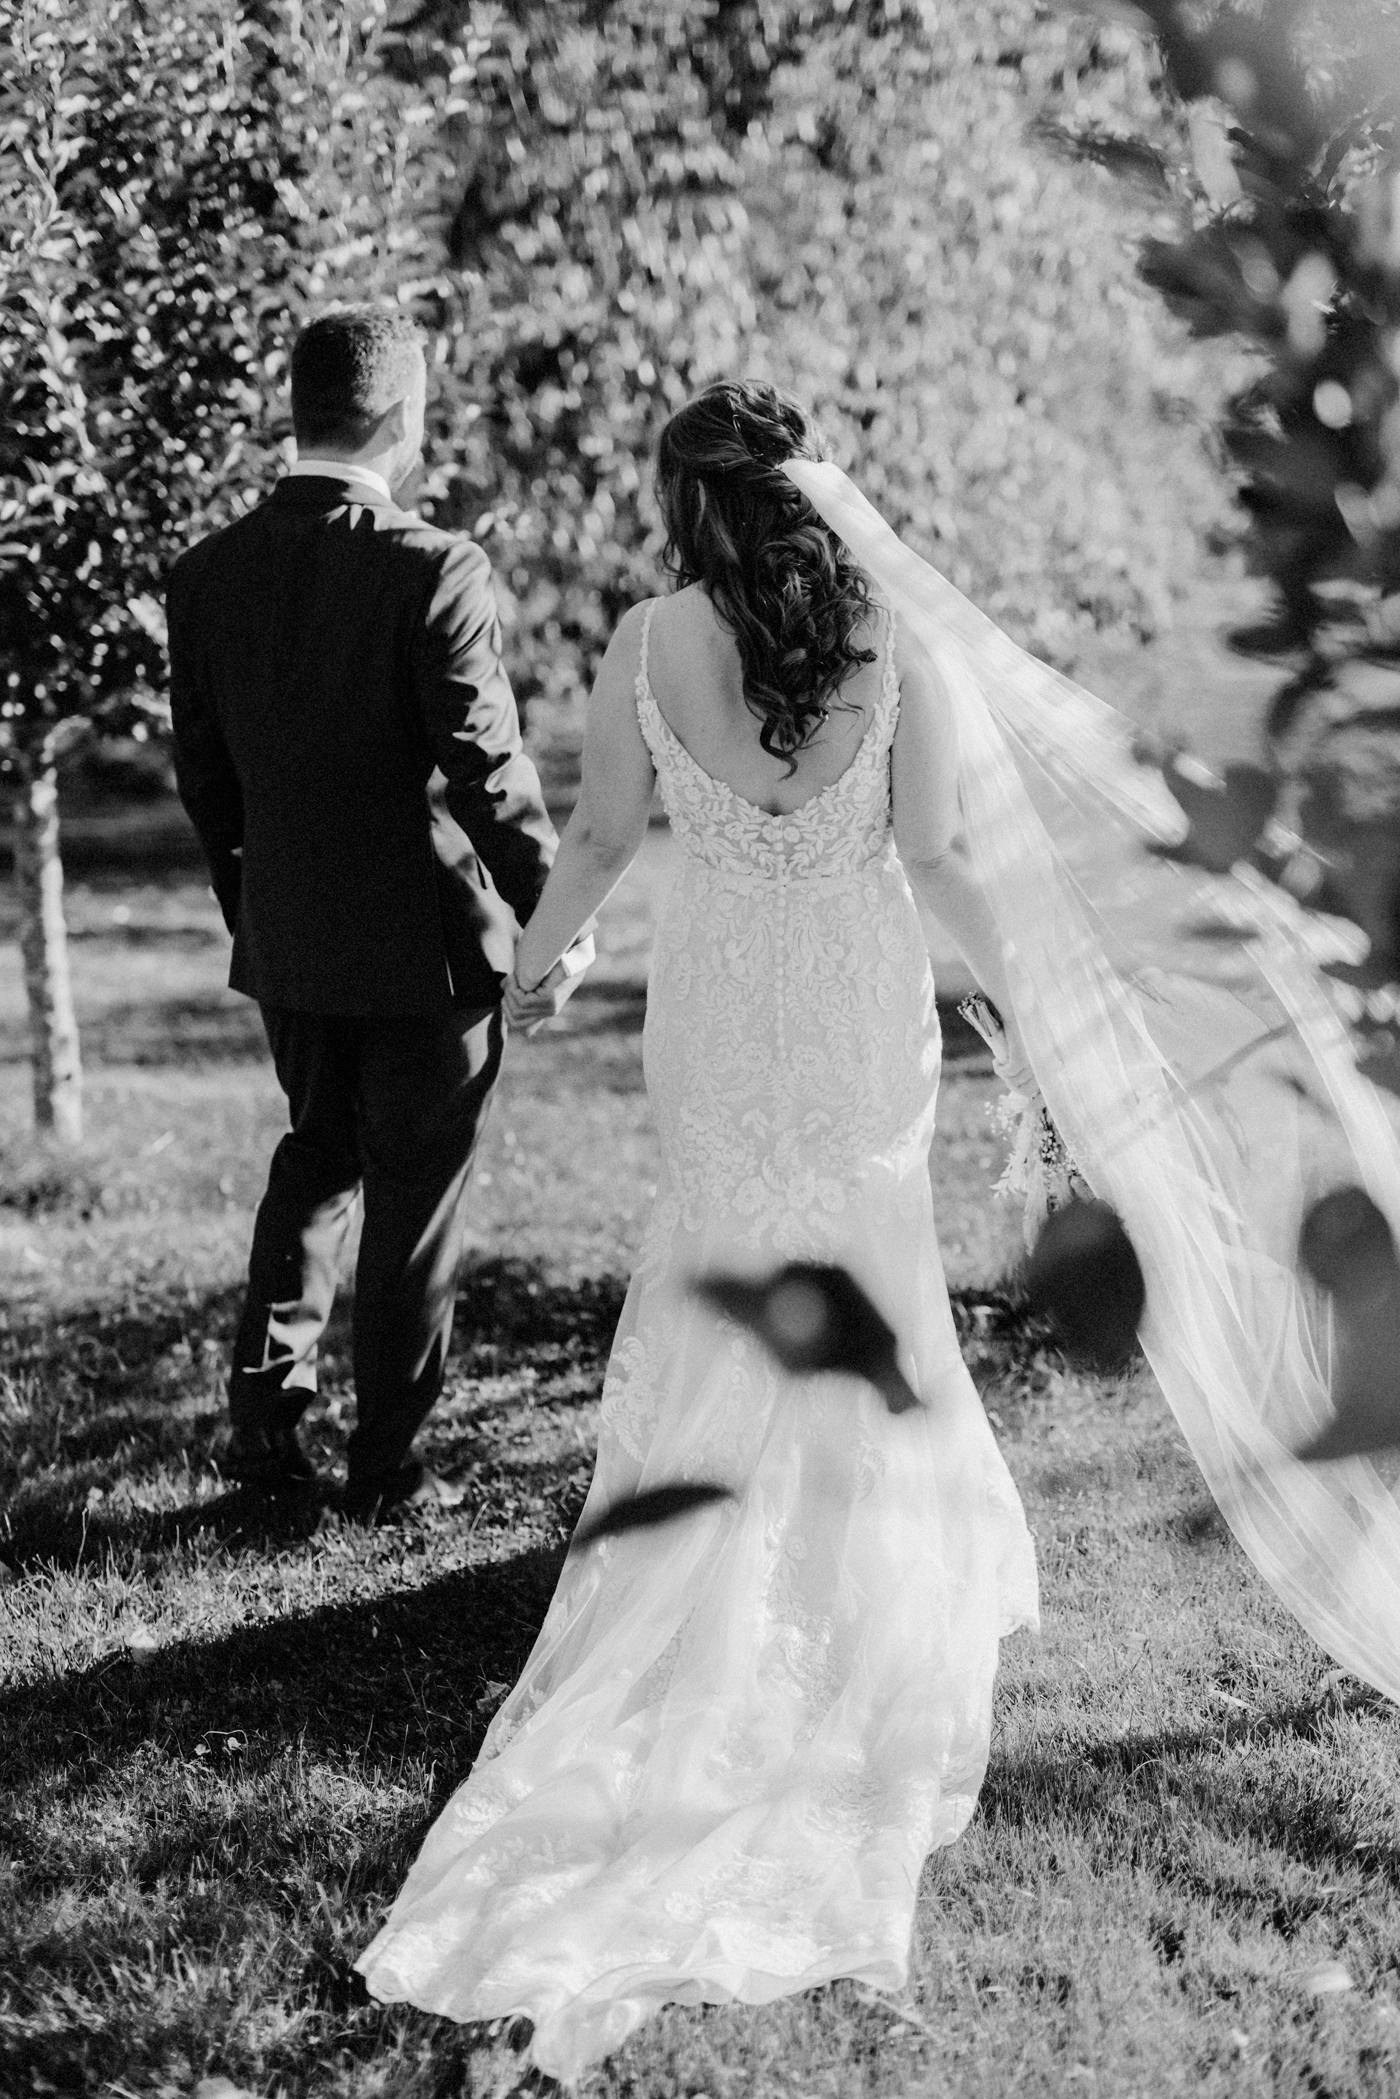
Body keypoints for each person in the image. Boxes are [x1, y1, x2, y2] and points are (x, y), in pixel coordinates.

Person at [356, 379, 1040, 2074]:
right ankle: (866, 1554)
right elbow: (935, 852)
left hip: (722, 1012)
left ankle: (710, 1539)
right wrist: (1026, 998)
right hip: (856, 1006)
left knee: (721, 1262)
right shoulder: (891, 641)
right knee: (870, 1261)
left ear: (686, 504)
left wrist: (535, 959)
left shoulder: (648, 639)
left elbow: (598, 833)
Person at [167, 307, 590, 1522]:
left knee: (314, 1162)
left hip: (290, 941)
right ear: (405, 419)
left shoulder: (204, 573)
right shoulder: (434, 566)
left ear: (295, 409)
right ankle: (387, 1471)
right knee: (411, 1202)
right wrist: (553, 916)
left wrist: (257, 913)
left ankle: (263, 1444)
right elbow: (486, 768)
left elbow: (205, 782)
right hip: (428, 955)